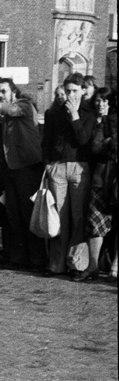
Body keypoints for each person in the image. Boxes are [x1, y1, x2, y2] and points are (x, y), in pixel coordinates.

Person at [0, 77, 47, 271]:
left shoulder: (24, 104)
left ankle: (37, 260)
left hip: (27, 167)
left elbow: (13, 109)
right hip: (11, 169)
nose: (0, 95)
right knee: (13, 215)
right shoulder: (5, 111)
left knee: (28, 214)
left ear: (13, 91)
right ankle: (19, 257)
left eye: (3, 91)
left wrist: (0, 105)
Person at [42, 72, 96, 277]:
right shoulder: (54, 113)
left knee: (78, 216)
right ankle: (56, 264)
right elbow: (46, 141)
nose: (70, 95)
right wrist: (48, 164)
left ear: (83, 91)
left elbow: (83, 140)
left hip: (79, 168)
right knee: (58, 217)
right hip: (58, 167)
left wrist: (75, 116)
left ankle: (76, 263)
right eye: (67, 91)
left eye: (74, 91)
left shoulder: (89, 114)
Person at [74, 87, 117, 281]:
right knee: (95, 222)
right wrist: (109, 143)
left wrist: (110, 142)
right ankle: (92, 265)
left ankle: (115, 266)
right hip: (100, 178)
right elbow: (95, 147)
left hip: (114, 178)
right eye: (98, 100)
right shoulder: (95, 121)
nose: (102, 104)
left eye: (106, 100)